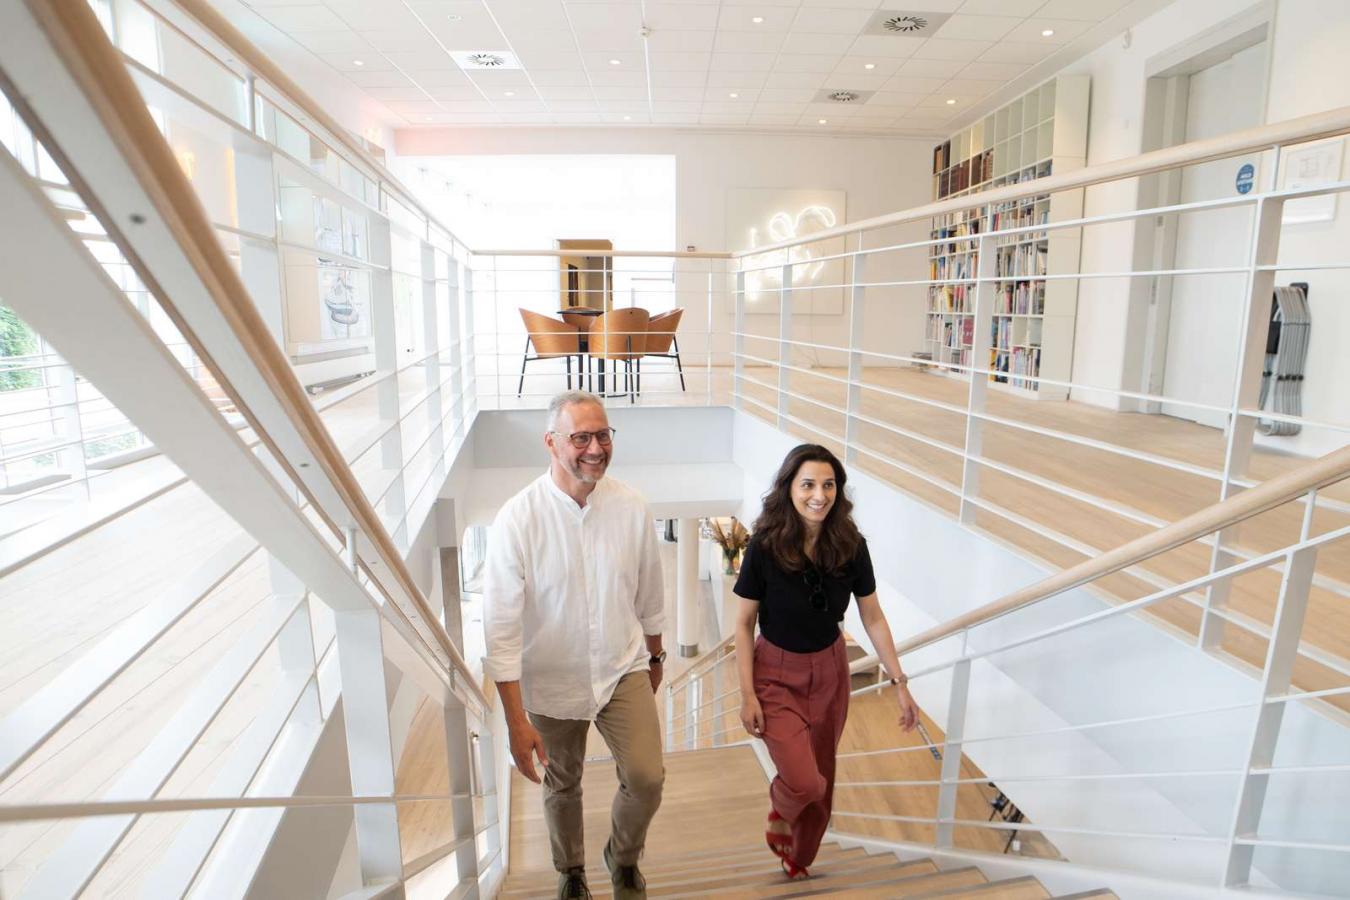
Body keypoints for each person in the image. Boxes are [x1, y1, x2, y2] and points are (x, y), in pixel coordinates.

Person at [483, 390, 666, 900]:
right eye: (580, 436)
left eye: (603, 435)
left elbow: (650, 593)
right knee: (562, 786)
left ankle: (622, 858)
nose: (595, 448)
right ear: (551, 442)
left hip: (620, 665)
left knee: (647, 778)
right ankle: (572, 873)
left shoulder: (631, 507)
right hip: (550, 677)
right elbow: (500, 629)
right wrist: (516, 721)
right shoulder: (517, 520)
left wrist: (655, 656)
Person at [733, 443, 920, 879]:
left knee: (824, 779)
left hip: (830, 671)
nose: (819, 495)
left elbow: (872, 616)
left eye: (829, 485)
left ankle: (799, 858)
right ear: (789, 489)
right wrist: (747, 694)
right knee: (804, 781)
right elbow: (743, 624)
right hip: (776, 674)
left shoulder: (851, 546)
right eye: (808, 485)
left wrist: (900, 682)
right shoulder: (764, 546)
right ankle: (782, 808)